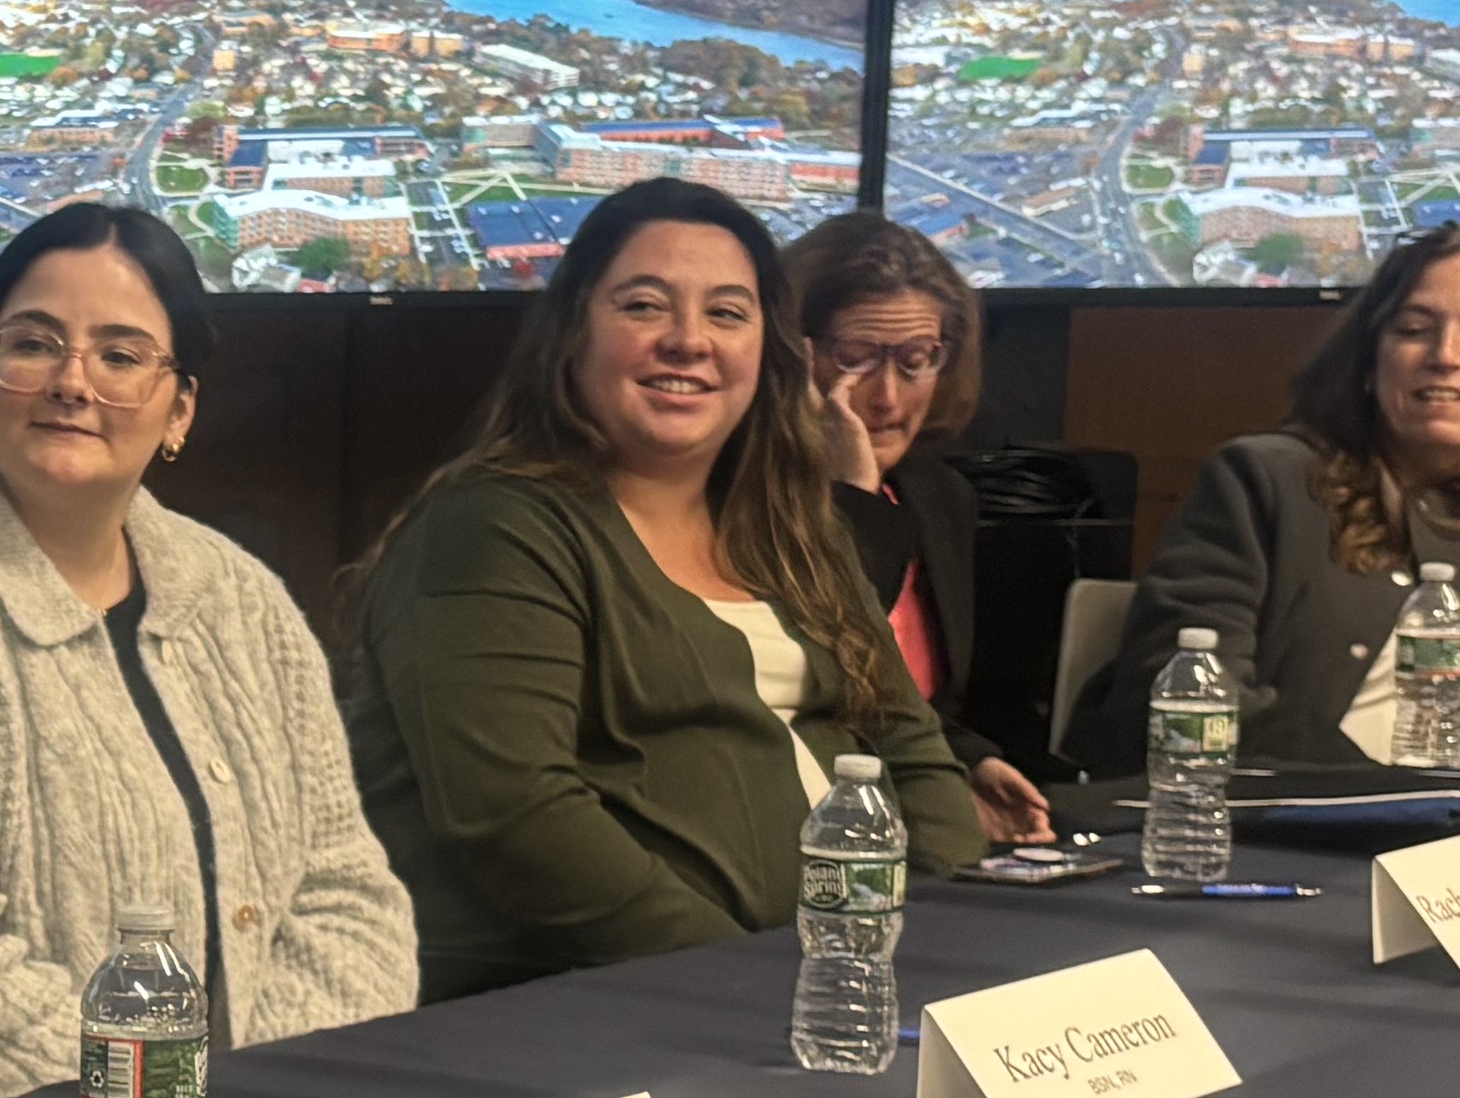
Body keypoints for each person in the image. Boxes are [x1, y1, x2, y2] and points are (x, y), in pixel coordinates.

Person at [0, 200, 411, 1097]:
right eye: (33, 343)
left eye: (122, 355)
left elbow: (349, 899)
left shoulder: (243, 601)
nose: (72, 380)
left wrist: (274, 1097)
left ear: (180, 410)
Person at [343, 180, 983, 997]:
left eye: (726, 313)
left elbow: (914, 753)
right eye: (644, 306)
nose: (689, 341)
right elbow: (517, 818)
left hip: (837, 997)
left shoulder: (795, 528)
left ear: (768, 349)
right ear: (572, 332)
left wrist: (943, 946)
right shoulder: (490, 528)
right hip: (586, 1020)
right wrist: (751, 984)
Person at [1055, 222, 1460, 770]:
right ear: (1370, 358)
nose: (1446, 355)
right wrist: (1374, 793)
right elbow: (1190, 688)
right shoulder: (1260, 480)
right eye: (1413, 330)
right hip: (1256, 819)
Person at [786, 210, 1058, 846]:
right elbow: (820, 684)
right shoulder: (737, 502)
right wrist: (850, 500)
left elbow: (908, 704)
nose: (886, 398)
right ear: (790, 354)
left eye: (916, 360)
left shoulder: (939, 497)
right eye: (856, 358)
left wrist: (968, 762)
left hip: (914, 827)